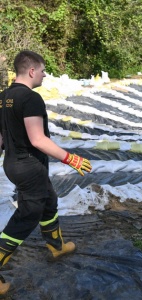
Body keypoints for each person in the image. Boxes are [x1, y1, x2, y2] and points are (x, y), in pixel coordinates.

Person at [0, 50, 92, 294]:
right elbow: (38, 139)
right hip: (29, 166)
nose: (44, 75)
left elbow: (1, 137)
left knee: (49, 199)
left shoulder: (4, 97)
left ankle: (56, 245)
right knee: (29, 214)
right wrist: (70, 158)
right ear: (31, 71)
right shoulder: (30, 99)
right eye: (42, 71)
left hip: (14, 164)